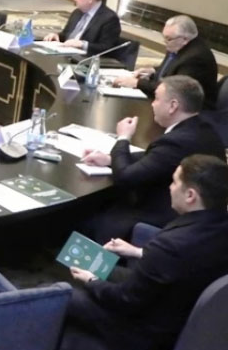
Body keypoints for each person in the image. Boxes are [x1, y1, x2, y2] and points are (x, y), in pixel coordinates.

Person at [65, 154, 228, 350]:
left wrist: (91, 281)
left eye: (174, 182)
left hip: (145, 332)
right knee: (106, 267)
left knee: (62, 296)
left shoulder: (170, 245)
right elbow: (188, 263)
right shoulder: (218, 228)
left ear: (190, 195)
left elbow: (125, 300)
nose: (170, 187)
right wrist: (138, 252)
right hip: (184, 319)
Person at [80, 75, 225, 239]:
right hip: (204, 221)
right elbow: (156, 158)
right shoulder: (203, 129)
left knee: (87, 215)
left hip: (165, 221)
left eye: (156, 99)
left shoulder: (177, 141)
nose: (152, 104)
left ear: (173, 106)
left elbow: (125, 178)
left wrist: (123, 138)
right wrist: (110, 159)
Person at [113, 15, 218, 108]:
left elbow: (173, 89)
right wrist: (153, 71)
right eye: (164, 37)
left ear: (185, 39)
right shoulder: (177, 45)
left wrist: (137, 83)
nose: (165, 42)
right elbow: (173, 68)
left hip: (191, 111)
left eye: (168, 39)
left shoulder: (195, 59)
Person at [42, 0, 122, 56]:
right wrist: (56, 35)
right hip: (65, 51)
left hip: (84, 58)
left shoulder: (109, 18)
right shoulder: (77, 12)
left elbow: (107, 48)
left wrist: (82, 44)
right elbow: (66, 34)